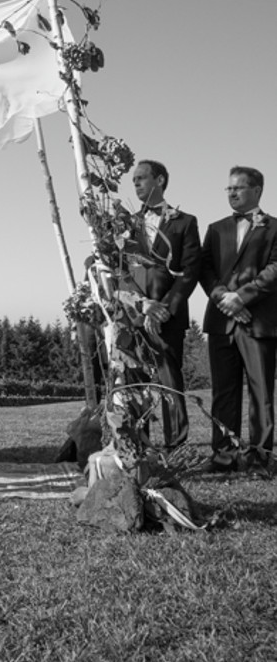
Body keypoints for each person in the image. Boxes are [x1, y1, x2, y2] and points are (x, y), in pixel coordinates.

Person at [200, 166, 277, 471]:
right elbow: (205, 269)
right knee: (223, 392)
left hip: (258, 322)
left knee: (261, 392)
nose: (231, 193)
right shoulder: (216, 229)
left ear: (257, 190)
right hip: (221, 322)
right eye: (228, 188)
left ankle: (260, 457)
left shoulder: (274, 227)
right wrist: (224, 298)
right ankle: (224, 456)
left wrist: (242, 297)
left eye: (238, 188)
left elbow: (274, 269)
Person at [127, 160, 202, 449]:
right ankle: (138, 445)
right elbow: (119, 270)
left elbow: (191, 271)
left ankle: (175, 447)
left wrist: (163, 309)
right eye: (134, 179)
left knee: (170, 381)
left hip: (168, 317)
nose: (136, 183)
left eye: (141, 178)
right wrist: (142, 304)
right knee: (134, 383)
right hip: (134, 315)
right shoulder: (126, 223)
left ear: (159, 180)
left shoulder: (185, 222)